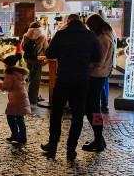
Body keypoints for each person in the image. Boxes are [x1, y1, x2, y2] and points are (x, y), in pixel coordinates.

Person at [41, 14, 102, 160]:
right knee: (78, 115)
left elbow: (49, 54)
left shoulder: (61, 34)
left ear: (68, 22)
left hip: (63, 79)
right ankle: (71, 149)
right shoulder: (91, 35)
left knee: (56, 113)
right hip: (82, 81)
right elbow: (97, 58)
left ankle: (53, 145)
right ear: (82, 22)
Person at [82, 14, 115, 152]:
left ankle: (98, 139)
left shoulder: (103, 39)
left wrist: (86, 65)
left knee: (93, 108)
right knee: (92, 107)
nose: (90, 29)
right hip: (100, 75)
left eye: (90, 27)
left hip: (96, 75)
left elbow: (98, 61)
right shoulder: (107, 36)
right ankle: (98, 139)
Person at [0, 53, 31, 144]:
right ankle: (23, 137)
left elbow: (6, 86)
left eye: (5, 63)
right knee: (20, 118)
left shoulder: (9, 73)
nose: (4, 64)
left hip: (15, 97)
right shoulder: (20, 72)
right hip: (22, 95)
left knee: (10, 116)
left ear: (8, 64)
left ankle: (15, 135)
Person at [21, 21, 48, 104]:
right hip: (37, 60)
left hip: (28, 60)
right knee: (35, 79)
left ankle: (35, 96)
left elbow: (22, 47)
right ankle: (32, 98)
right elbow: (46, 49)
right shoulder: (42, 37)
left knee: (31, 78)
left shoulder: (26, 36)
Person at [98, 10, 117, 113]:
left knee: (102, 84)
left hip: (105, 63)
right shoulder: (111, 30)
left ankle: (104, 105)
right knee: (105, 83)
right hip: (110, 62)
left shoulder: (103, 33)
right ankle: (104, 104)